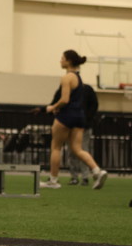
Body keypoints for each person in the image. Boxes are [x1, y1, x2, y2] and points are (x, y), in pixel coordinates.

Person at [40, 50, 108, 190]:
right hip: (79, 116)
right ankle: (97, 171)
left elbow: (65, 99)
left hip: (66, 116)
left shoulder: (67, 78)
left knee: (56, 147)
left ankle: (53, 180)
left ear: (69, 61)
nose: (60, 60)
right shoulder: (78, 78)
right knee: (77, 149)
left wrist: (53, 107)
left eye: (62, 58)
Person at [62, 82, 99, 185]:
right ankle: (74, 177)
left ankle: (85, 177)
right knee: (71, 152)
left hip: (83, 127)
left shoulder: (87, 90)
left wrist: (87, 120)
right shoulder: (68, 90)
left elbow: (94, 105)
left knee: (82, 150)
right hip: (71, 126)